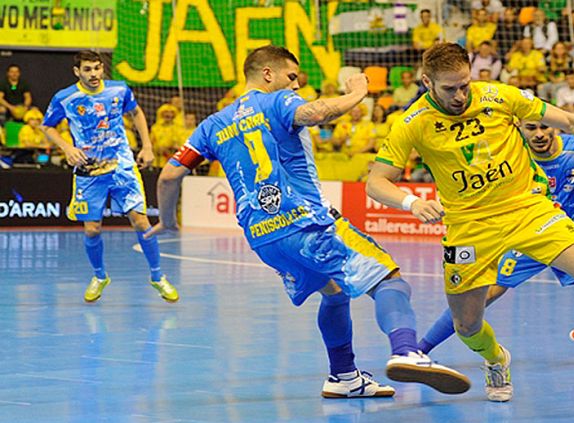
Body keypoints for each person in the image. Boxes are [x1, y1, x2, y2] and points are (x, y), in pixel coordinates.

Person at [367, 43, 574, 403]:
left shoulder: (499, 96)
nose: (460, 95)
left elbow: (569, 121)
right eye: (450, 88)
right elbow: (376, 182)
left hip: (529, 208)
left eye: (465, 85)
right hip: (469, 226)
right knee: (467, 325)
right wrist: (411, 202)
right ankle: (496, 358)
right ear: (427, 81)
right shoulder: (412, 123)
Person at [146, 45, 470, 398]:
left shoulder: (212, 125)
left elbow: (168, 176)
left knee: (333, 294)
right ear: (267, 74)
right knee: (389, 279)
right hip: (307, 223)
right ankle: (408, 351)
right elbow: (315, 112)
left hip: (264, 238)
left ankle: (344, 377)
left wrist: (167, 220)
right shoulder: (275, 101)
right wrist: (359, 93)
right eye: (291, 77)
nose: (295, 86)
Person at [419, 121, 574, 354]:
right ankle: (420, 350)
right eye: (532, 128)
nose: (540, 134)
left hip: (565, 237)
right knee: (481, 299)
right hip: (522, 236)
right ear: (520, 129)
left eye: (545, 127)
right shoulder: (509, 156)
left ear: (556, 127)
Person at [40, 50, 178, 303]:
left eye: (97, 68)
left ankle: (158, 277)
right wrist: (67, 148)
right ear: (77, 72)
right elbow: (46, 126)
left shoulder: (119, 90)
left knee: (141, 222)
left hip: (122, 165)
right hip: (88, 171)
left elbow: (136, 113)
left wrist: (146, 146)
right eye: (88, 69)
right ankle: (99, 275)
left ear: (102, 68)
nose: (94, 74)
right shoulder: (65, 97)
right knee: (92, 229)